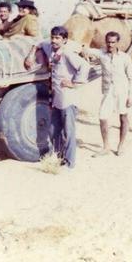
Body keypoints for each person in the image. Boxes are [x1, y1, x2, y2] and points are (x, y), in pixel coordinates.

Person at [24, 26, 90, 169]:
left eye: (58, 38)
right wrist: (30, 55)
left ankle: (70, 163)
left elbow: (84, 66)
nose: (54, 40)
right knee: (54, 130)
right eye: (52, 37)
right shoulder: (49, 47)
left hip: (68, 98)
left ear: (65, 40)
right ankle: (59, 158)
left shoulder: (67, 53)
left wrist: (74, 83)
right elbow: (39, 43)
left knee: (69, 131)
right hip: (56, 98)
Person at [86, 31, 132, 157]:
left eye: (113, 42)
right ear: (105, 42)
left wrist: (131, 96)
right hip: (108, 91)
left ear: (117, 42)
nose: (110, 45)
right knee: (103, 117)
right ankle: (106, 147)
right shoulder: (102, 54)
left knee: (123, 117)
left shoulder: (125, 57)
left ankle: (121, 146)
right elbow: (87, 50)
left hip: (122, 91)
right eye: (108, 42)